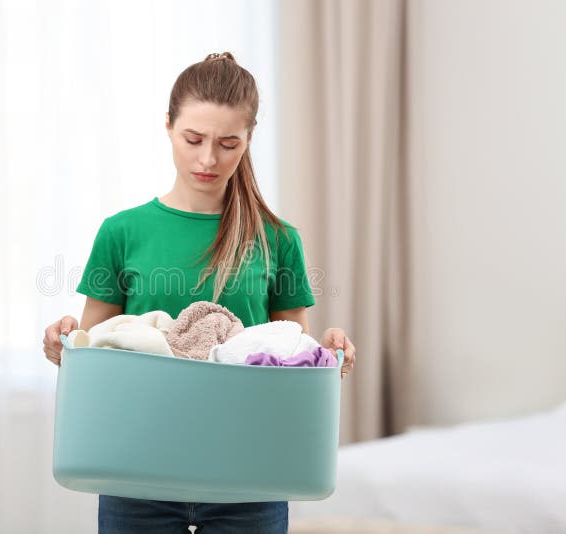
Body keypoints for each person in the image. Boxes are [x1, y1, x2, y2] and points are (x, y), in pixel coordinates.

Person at [43, 51, 356, 534]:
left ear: (249, 139)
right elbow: (93, 352)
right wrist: (60, 343)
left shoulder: (278, 239)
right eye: (194, 139)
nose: (209, 158)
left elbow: (291, 359)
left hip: (250, 474)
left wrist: (328, 354)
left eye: (229, 143)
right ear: (168, 126)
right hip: (136, 472)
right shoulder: (122, 232)